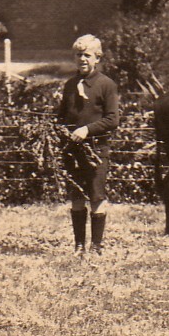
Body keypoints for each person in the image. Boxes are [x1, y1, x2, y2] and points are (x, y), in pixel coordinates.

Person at [56, 34, 119, 253]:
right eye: (78, 55)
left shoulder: (106, 85)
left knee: (96, 196)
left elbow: (113, 119)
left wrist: (86, 130)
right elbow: (62, 116)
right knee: (76, 197)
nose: (82, 59)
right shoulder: (70, 85)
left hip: (96, 150)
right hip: (73, 151)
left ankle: (96, 245)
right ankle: (79, 245)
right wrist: (60, 129)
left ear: (97, 58)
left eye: (87, 55)